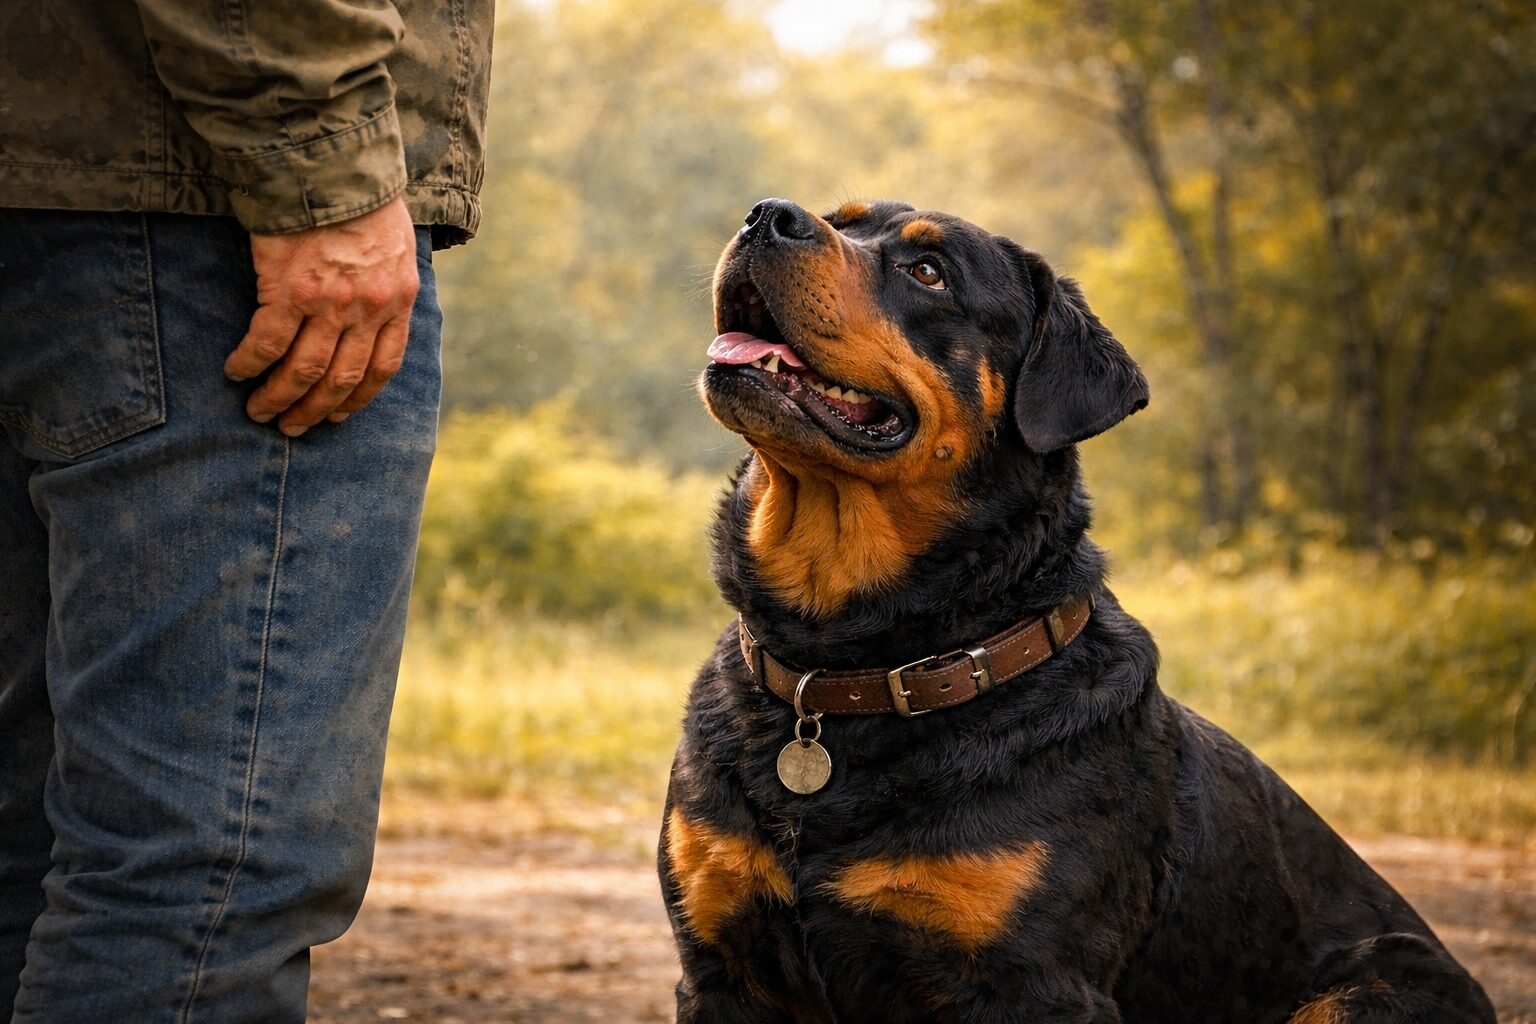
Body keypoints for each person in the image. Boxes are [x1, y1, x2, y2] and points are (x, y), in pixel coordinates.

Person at [0, 2, 494, 1020]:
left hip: (67, 165)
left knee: (32, 839)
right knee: (205, 879)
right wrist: (325, 168)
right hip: (187, 203)